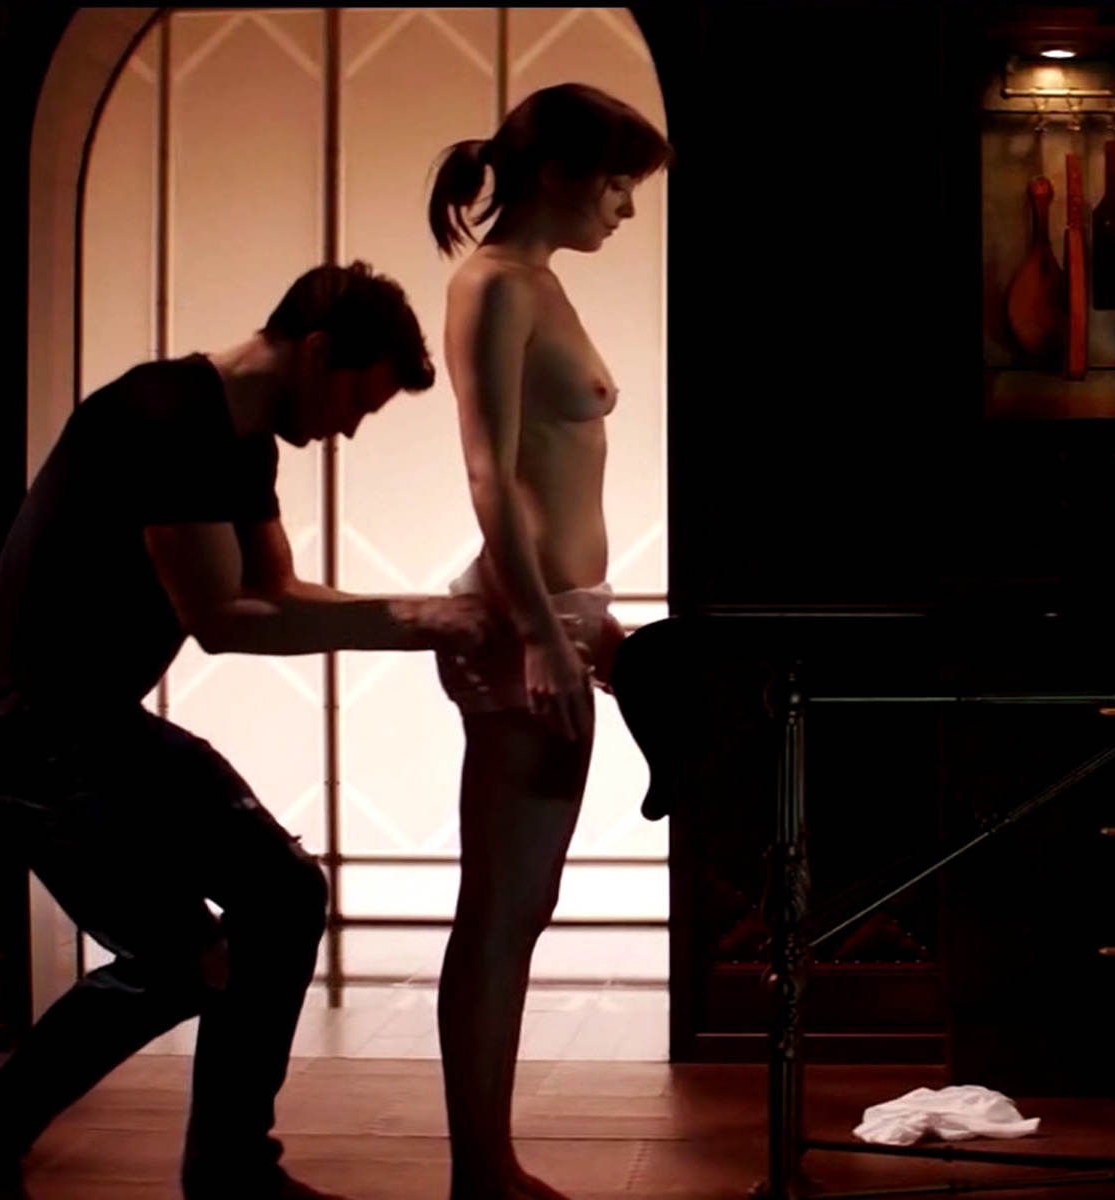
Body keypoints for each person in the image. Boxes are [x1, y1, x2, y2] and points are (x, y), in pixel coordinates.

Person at [0, 261, 493, 1200]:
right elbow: (224, 620)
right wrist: (421, 620)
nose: (350, 429)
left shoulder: (244, 444)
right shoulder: (165, 416)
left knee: (283, 893)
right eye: (358, 400)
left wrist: (424, 620)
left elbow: (278, 591)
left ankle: (232, 1166)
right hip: (21, 734)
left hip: (96, 725)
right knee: (180, 963)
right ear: (317, 351)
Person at [426, 83, 672, 1200]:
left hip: (564, 612)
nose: (626, 207)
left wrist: (588, 621)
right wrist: (537, 631)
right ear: (559, 174)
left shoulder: (540, 282)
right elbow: (490, 475)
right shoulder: (489, 285)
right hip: (522, 619)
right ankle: (481, 1169)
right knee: (501, 906)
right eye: (616, 183)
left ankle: (487, 1161)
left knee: (522, 904)